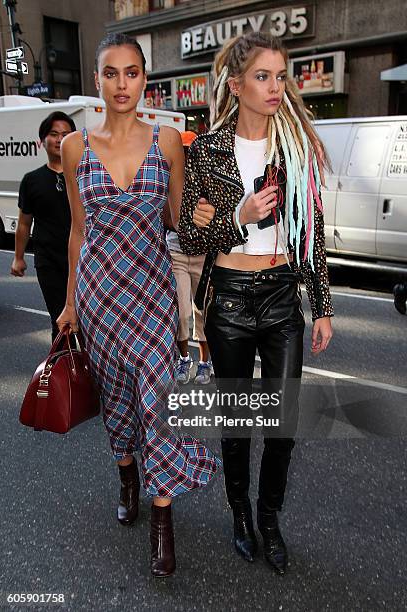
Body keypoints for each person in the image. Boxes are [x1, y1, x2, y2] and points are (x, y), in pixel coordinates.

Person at [56, 33, 219, 577]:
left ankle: (162, 520)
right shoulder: (75, 147)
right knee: (121, 407)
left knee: (158, 402)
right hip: (100, 297)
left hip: (151, 296)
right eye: (110, 73)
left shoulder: (168, 140)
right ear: (97, 81)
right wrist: (70, 302)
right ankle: (127, 473)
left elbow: (175, 218)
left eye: (131, 73)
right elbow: (79, 232)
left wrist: (201, 215)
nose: (121, 84)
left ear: (144, 79)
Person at [178, 32, 333, 575]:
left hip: (282, 297)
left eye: (280, 76)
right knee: (239, 424)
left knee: (283, 423)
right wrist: (238, 216)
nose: (274, 87)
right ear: (237, 83)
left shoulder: (295, 151)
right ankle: (240, 515)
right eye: (263, 76)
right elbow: (191, 239)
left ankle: (270, 519)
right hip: (230, 302)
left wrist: (323, 306)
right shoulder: (208, 149)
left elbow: (309, 233)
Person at [11, 112, 76, 341]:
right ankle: (62, 373)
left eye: (66, 135)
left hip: (83, 260)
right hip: (48, 261)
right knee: (60, 321)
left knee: (90, 322)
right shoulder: (32, 180)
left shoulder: (83, 174)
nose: (59, 139)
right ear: (42, 140)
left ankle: (91, 371)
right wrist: (18, 257)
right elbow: (23, 223)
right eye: (53, 134)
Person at [166, 130, 213, 385]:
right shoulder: (169, 179)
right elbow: (166, 219)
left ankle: (205, 363)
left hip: (204, 254)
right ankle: (183, 359)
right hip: (176, 252)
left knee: (203, 312)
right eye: (182, 151)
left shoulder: (207, 180)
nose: (186, 155)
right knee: (182, 312)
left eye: (190, 150)